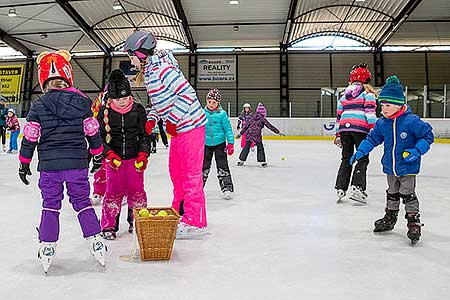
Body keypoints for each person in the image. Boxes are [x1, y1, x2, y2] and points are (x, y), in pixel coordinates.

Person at [18, 50, 106, 273]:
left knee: (50, 205)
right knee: (82, 203)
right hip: (76, 164)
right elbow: (92, 131)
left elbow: (30, 137)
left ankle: (47, 246)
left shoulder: (38, 107)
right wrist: (97, 154)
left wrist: (24, 162)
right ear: (68, 76)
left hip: (50, 167)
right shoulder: (82, 102)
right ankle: (96, 240)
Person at [124, 30, 207, 238]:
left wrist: (171, 120)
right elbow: (160, 103)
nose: (130, 59)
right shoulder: (150, 73)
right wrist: (153, 117)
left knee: (190, 175)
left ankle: (195, 221)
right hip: (179, 128)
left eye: (131, 54)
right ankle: (180, 212)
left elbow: (188, 94)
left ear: (142, 53)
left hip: (191, 126)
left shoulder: (164, 70)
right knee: (175, 172)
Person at [350, 75, 434, 245]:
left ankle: (413, 222)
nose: (384, 109)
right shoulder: (382, 123)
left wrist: (417, 150)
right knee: (392, 193)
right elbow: (372, 139)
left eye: (388, 105)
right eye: (382, 105)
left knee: (408, 195)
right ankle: (390, 217)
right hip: (390, 167)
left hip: (407, 167)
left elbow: (428, 135)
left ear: (399, 104)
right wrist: (360, 152)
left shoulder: (411, 121)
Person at [97, 69, 149, 240]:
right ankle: (109, 225)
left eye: (125, 98)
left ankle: (137, 221)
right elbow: (99, 138)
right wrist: (109, 154)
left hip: (135, 160)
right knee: (113, 192)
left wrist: (143, 154)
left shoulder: (138, 110)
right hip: (114, 161)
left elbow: (144, 136)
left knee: (137, 192)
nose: (122, 102)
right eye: (119, 99)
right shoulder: (104, 112)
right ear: (111, 98)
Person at [334, 63, 377, 203]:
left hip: (345, 129)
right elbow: (370, 114)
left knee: (346, 158)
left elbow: (339, 117)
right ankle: (357, 187)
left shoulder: (344, 96)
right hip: (360, 129)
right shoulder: (368, 94)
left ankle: (341, 187)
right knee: (362, 157)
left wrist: (338, 134)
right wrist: (373, 130)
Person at [202, 88, 235, 199]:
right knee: (203, 167)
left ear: (218, 103)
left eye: (214, 102)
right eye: (209, 101)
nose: (211, 104)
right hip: (205, 144)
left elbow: (228, 129)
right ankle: (198, 188)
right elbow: (197, 128)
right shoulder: (202, 113)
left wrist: (230, 143)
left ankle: (227, 188)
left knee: (222, 166)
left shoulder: (222, 114)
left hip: (220, 144)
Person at [236, 102, 284, 167]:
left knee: (246, 147)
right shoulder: (262, 118)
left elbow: (246, 126)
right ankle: (262, 162)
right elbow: (270, 126)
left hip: (249, 134)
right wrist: (278, 132)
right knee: (260, 147)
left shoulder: (253, 117)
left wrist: (240, 134)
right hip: (256, 135)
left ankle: (241, 161)